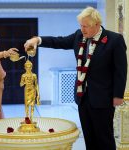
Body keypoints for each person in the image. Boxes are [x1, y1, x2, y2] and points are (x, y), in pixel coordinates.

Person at [24, 6, 127, 150]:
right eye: (81, 25)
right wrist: (38, 39)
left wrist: (118, 95)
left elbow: (120, 70)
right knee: (89, 138)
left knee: (104, 138)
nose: (82, 29)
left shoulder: (114, 40)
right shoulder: (79, 36)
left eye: (86, 26)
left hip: (103, 98)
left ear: (97, 24)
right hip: (82, 98)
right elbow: (58, 41)